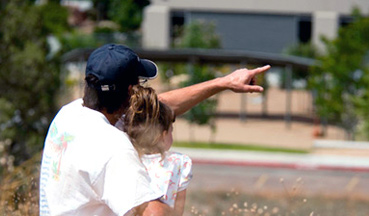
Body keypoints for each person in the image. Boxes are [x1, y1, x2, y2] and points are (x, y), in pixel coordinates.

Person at [39, 43, 270, 216]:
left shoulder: (70, 115)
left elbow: (158, 108)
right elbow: (151, 212)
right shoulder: (112, 149)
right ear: (131, 92)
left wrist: (222, 83)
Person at [122, 85, 192, 216]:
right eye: (171, 131)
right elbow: (178, 210)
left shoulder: (125, 159)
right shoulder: (178, 163)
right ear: (163, 135)